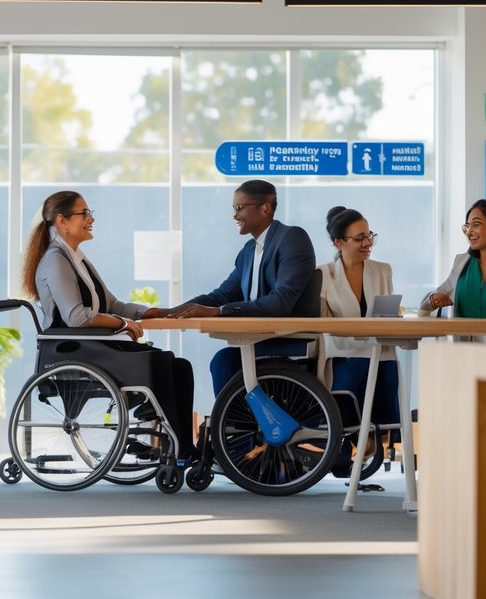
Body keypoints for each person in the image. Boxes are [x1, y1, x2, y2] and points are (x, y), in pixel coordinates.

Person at [22, 190, 197, 462]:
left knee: (180, 366)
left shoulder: (76, 258)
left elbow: (112, 304)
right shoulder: (56, 260)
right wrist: (123, 324)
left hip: (92, 346)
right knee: (160, 362)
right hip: (73, 350)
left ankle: (184, 448)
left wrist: (151, 312)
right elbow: (77, 317)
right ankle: (172, 440)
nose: (91, 219)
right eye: (84, 213)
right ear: (62, 221)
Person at [160, 179, 317, 396]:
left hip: (287, 343)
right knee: (223, 361)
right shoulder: (249, 250)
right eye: (233, 208)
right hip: (257, 341)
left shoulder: (291, 238)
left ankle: (237, 418)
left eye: (239, 208)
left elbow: (280, 302)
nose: (234, 215)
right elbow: (221, 295)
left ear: (265, 209)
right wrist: (170, 312)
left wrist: (219, 311)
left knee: (223, 361)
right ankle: (238, 417)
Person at [317, 206, 399, 427]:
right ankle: (354, 432)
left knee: (386, 364)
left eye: (369, 235)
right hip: (343, 355)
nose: (368, 243)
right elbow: (321, 328)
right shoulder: (324, 274)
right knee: (360, 367)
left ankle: (377, 432)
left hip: (380, 353)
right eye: (360, 238)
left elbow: (388, 315)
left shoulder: (383, 270)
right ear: (339, 243)